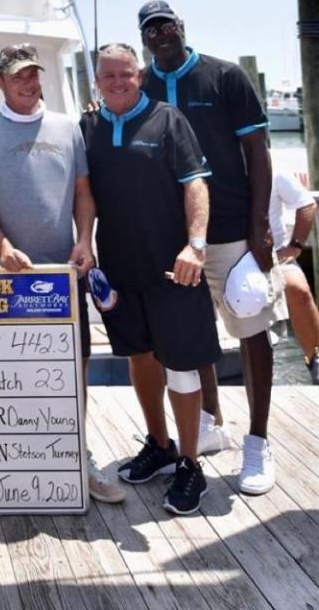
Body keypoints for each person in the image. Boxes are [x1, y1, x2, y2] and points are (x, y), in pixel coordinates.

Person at [0, 42, 125, 505]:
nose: (29, 84)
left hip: (62, 276)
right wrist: (3, 246)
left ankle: (78, 456)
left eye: (33, 74)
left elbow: (83, 195)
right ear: (0, 83)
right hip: (6, 278)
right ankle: (17, 466)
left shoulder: (67, 127)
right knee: (10, 373)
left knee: (75, 368)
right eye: (18, 77)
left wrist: (84, 239)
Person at [138, 0, 276, 494]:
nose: (160, 35)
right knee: (191, 335)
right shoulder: (140, 83)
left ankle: (258, 443)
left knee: (251, 324)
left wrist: (261, 225)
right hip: (172, 238)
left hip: (233, 229)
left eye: (166, 25)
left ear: (181, 26)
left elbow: (258, 152)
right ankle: (211, 425)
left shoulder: (225, 77)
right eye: (150, 30)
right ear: (143, 38)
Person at [82, 43, 220, 515]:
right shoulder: (90, 127)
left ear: (139, 75)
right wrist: (84, 242)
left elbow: (196, 183)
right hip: (120, 267)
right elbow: (86, 195)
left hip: (173, 268)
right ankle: (159, 445)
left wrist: (195, 245)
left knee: (180, 365)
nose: (117, 82)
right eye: (108, 76)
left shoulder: (168, 119)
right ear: (96, 79)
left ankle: (189, 463)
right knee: (138, 356)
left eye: (125, 74)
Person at [269, 168, 319, 383]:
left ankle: (315, 359)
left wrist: (295, 246)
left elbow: (306, 203)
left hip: (275, 256)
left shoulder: (275, 168)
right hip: (225, 255)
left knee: (299, 289)